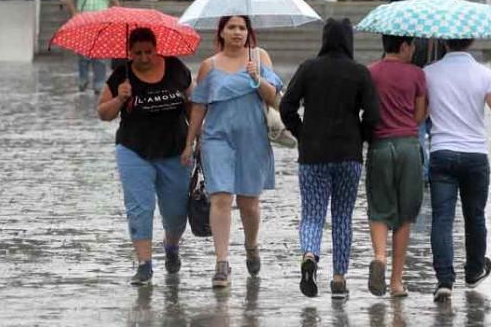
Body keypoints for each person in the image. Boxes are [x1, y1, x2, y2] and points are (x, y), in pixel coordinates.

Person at [279, 18, 379, 300]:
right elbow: (372, 116)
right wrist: (360, 137)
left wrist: (302, 133)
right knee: (342, 217)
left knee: (312, 214)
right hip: (348, 156)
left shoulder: (308, 68)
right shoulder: (360, 73)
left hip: (312, 154)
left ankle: (310, 254)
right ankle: (339, 278)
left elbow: (286, 106)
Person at [182, 16, 283, 288]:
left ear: (249, 32)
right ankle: (222, 263)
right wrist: (190, 143)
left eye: (242, 28)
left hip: (253, 138)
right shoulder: (209, 66)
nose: (237, 32)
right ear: (222, 33)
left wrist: (257, 78)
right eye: (232, 27)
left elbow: (273, 97)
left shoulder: (259, 57)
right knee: (221, 198)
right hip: (216, 138)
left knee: (249, 203)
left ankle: (251, 246)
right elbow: (199, 107)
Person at [424, 38, 491, 303]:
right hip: (476, 156)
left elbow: (419, 115)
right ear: (471, 41)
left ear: (443, 42)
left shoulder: (429, 73)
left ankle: (444, 280)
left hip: (441, 153)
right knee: (475, 216)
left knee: (442, 218)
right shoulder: (485, 75)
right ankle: (474, 270)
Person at [97, 27, 193, 286]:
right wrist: (120, 98)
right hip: (134, 150)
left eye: (148, 52)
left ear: (156, 48)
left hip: (175, 150)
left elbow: (193, 105)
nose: (143, 58)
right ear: (130, 52)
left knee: (176, 213)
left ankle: (171, 246)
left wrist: (195, 141)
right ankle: (144, 264)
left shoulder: (175, 68)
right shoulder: (121, 75)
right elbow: (103, 113)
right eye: (137, 53)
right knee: (139, 208)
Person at [366, 35, 427, 298]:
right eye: (412, 45)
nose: (414, 50)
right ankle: (396, 282)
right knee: (405, 215)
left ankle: (379, 257)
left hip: (380, 146)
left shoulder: (370, 72)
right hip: (408, 147)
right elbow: (419, 115)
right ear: (403, 46)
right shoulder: (417, 74)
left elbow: (365, 111)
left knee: (379, 208)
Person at [64, 0, 121, 94]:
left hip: (101, 24)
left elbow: (114, 0)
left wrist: (115, 17)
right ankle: (83, 80)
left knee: (100, 56)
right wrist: (74, 13)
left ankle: (99, 84)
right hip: (83, 23)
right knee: (83, 55)